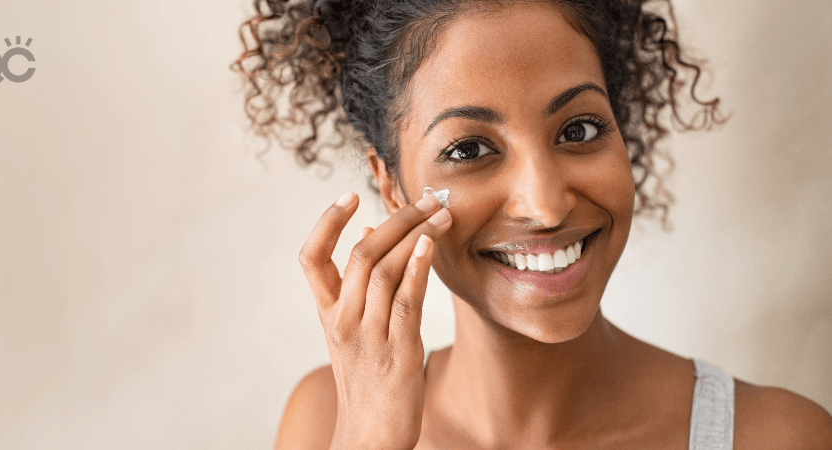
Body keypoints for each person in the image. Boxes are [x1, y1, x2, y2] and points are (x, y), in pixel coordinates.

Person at [234, 0, 832, 448]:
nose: (545, 206)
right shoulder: (325, 422)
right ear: (391, 185)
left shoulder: (775, 437)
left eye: (579, 130)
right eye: (469, 149)